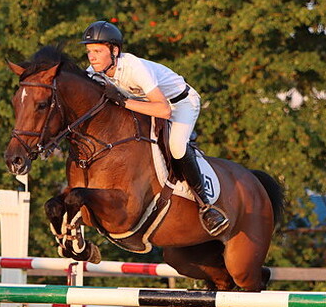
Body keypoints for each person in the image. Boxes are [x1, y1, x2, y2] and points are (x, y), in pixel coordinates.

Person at [80, 20, 229, 236]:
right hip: (145, 106)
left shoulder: (133, 67)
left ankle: (206, 206)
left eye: (97, 50)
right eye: (89, 51)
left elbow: (164, 110)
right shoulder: (94, 72)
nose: (92, 57)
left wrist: (122, 102)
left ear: (114, 50)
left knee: (176, 146)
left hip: (179, 103)